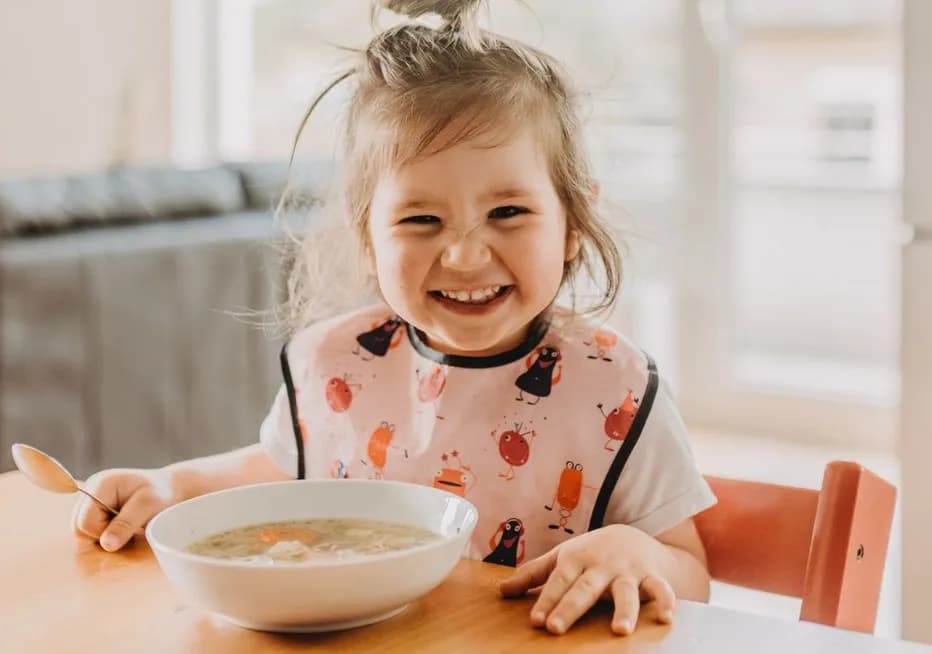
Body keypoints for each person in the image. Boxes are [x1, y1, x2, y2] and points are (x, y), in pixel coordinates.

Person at [72, 0, 716, 636]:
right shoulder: (337, 361)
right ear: (367, 236)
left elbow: (690, 573)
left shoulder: (616, 389)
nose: (465, 254)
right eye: (421, 220)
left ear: (572, 224)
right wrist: (173, 483)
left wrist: (640, 554)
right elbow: (275, 470)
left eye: (508, 213)